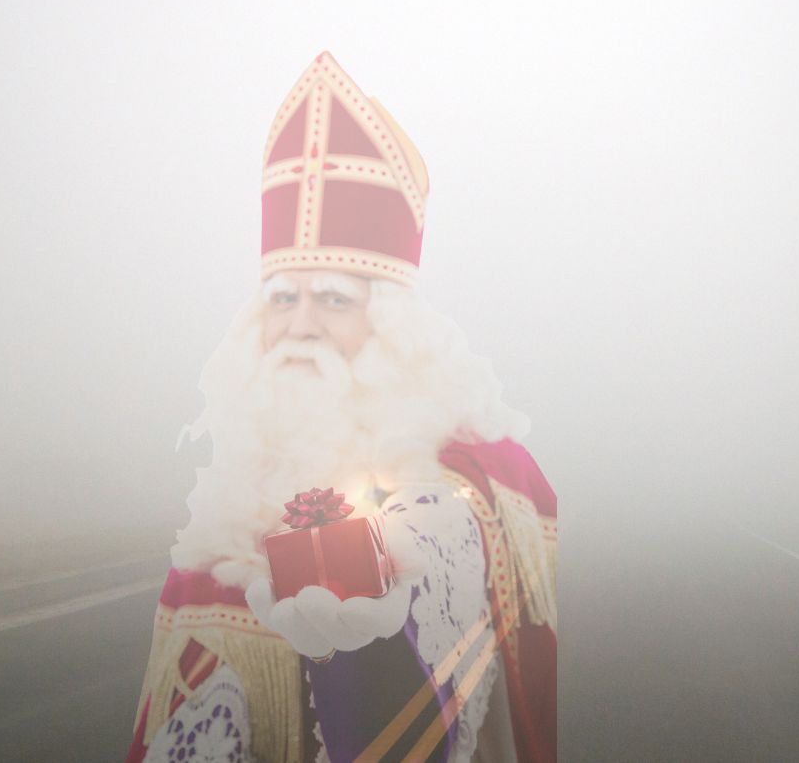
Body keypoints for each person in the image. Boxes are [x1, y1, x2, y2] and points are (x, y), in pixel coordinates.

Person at [124, 52, 558, 763]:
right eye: (283, 300)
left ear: (395, 331)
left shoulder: (447, 493)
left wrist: (374, 637)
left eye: (332, 300)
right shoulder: (224, 507)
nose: (299, 327)